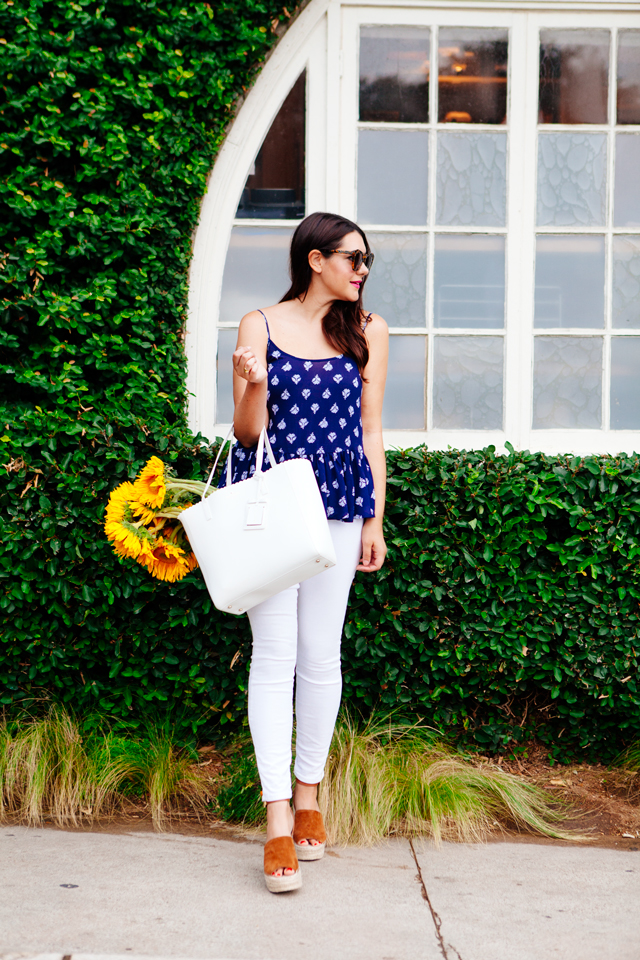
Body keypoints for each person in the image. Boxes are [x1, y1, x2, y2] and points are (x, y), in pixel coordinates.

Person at [226, 211, 388, 893]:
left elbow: (372, 431)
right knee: (276, 656)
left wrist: (376, 517)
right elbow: (243, 433)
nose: (362, 270)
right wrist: (253, 381)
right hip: (273, 509)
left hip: (342, 508)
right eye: (353, 258)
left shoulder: (370, 332)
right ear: (315, 258)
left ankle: (311, 795)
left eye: (367, 261)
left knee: (322, 654)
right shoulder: (258, 325)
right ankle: (276, 819)